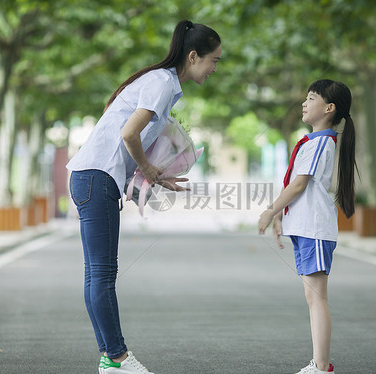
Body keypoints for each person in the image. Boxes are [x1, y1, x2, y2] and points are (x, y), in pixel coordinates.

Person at [67, 20, 221, 374]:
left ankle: (110, 358)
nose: (215, 68)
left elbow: (132, 138)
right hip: (96, 177)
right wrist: (149, 168)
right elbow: (129, 132)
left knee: (98, 275)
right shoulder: (162, 83)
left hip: (92, 177)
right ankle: (117, 358)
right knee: (102, 275)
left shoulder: (161, 83)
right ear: (193, 56)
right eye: (214, 60)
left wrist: (157, 174)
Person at [258, 79, 357, 374]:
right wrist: (280, 217)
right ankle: (319, 364)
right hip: (305, 228)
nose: (304, 103)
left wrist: (269, 210)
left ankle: (321, 365)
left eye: (311, 98)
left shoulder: (321, 142)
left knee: (317, 298)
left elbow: (299, 184)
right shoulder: (313, 142)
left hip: (314, 229)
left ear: (329, 108)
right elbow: (297, 185)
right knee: (312, 297)